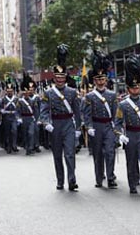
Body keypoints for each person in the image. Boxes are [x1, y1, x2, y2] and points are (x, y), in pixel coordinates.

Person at [40, 44, 82, 191]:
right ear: (54, 78)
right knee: (57, 155)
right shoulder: (48, 93)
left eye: (62, 77)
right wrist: (46, 123)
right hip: (55, 124)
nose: (59, 80)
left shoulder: (72, 92)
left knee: (70, 154)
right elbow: (44, 111)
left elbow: (77, 112)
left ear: (65, 77)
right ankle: (60, 180)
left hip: (68, 124)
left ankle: (72, 180)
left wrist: (78, 128)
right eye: (57, 77)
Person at [115, 55, 140, 196]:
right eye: (132, 88)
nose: (135, 90)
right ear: (128, 89)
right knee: (131, 162)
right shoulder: (123, 104)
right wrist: (120, 135)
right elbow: (117, 124)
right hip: (130, 135)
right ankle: (133, 184)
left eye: (137, 87)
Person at [83, 51, 119, 189]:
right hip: (96, 126)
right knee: (98, 154)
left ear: (106, 80)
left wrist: (117, 128)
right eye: (98, 80)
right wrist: (89, 126)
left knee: (110, 152)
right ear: (94, 81)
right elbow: (86, 114)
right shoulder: (90, 96)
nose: (100, 82)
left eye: (102, 79)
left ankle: (111, 177)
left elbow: (116, 113)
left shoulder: (112, 95)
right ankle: (99, 178)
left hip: (109, 125)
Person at [18, 76, 37, 155]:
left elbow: (36, 110)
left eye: (27, 93)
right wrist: (19, 118)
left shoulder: (33, 101)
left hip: (31, 118)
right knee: (25, 134)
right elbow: (18, 110)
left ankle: (31, 148)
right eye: (25, 93)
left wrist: (37, 119)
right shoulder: (20, 101)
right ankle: (27, 147)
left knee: (31, 133)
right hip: (24, 118)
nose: (26, 94)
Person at [1, 81, 20, 153]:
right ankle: (8, 146)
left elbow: (19, 109)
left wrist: (19, 117)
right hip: (7, 116)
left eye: (11, 91)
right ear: (6, 91)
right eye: (8, 91)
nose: (9, 92)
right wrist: (2, 110)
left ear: (13, 91)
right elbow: (0, 108)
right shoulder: (4, 99)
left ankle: (14, 145)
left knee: (14, 131)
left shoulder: (16, 99)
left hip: (14, 116)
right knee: (7, 132)